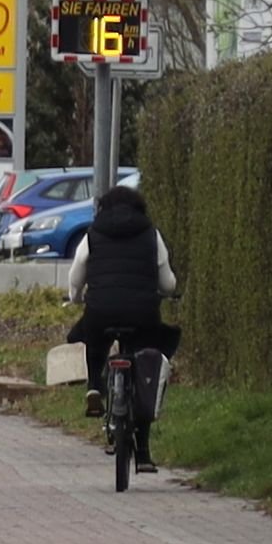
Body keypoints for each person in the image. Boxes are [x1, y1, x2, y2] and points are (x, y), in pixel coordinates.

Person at [61, 181, 181, 443]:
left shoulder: (92, 234)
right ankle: (144, 447)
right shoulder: (152, 234)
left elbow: (76, 274)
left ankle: (94, 386)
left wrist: (76, 298)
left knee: (94, 341)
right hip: (142, 314)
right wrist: (169, 293)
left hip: (101, 310)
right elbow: (167, 282)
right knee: (145, 362)